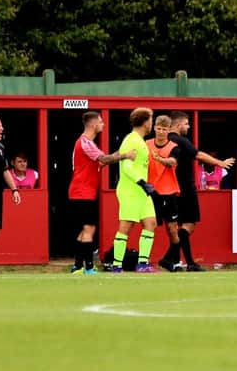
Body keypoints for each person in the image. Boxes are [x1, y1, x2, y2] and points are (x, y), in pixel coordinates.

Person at [68, 111, 136, 275]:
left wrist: (119, 153)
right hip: (82, 191)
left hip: (83, 191)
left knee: (85, 230)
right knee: (89, 228)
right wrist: (125, 155)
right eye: (100, 121)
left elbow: (101, 161)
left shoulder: (87, 143)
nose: (103, 124)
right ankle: (89, 267)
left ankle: (77, 266)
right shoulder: (85, 142)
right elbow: (104, 159)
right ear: (92, 124)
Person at [168, 111, 235, 271]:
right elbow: (198, 155)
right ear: (179, 125)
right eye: (186, 123)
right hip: (185, 187)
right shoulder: (181, 141)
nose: (189, 126)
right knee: (189, 225)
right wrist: (220, 163)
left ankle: (179, 262)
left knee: (176, 227)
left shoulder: (166, 142)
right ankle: (174, 259)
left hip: (170, 189)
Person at [112, 108, 159, 273]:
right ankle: (116, 265)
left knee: (151, 223)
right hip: (130, 189)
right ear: (145, 122)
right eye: (151, 120)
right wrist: (142, 182)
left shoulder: (140, 141)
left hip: (141, 190)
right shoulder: (131, 140)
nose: (152, 123)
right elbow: (127, 166)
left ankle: (143, 264)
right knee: (126, 226)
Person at [146, 115, 183, 272]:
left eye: (164, 129)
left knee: (172, 229)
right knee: (148, 226)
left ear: (169, 130)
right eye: (158, 128)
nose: (161, 132)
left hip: (168, 192)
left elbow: (173, 162)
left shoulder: (174, 147)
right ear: (154, 128)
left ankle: (175, 261)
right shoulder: (146, 144)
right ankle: (143, 261)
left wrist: (159, 158)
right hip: (151, 192)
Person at [0, 115, 21, 274]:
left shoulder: (0, 147)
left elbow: (5, 170)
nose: (1, 129)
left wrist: (14, 189)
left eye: (1, 126)